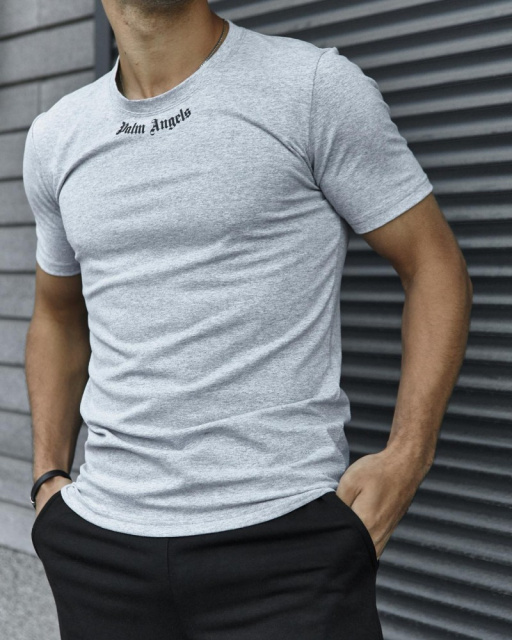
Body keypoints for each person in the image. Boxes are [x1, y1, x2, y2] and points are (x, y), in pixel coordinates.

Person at [23, 1, 473, 638]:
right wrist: (49, 480)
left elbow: (435, 266)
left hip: (286, 546)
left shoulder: (311, 87)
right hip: (102, 548)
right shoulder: (56, 135)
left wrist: (407, 457)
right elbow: (57, 314)